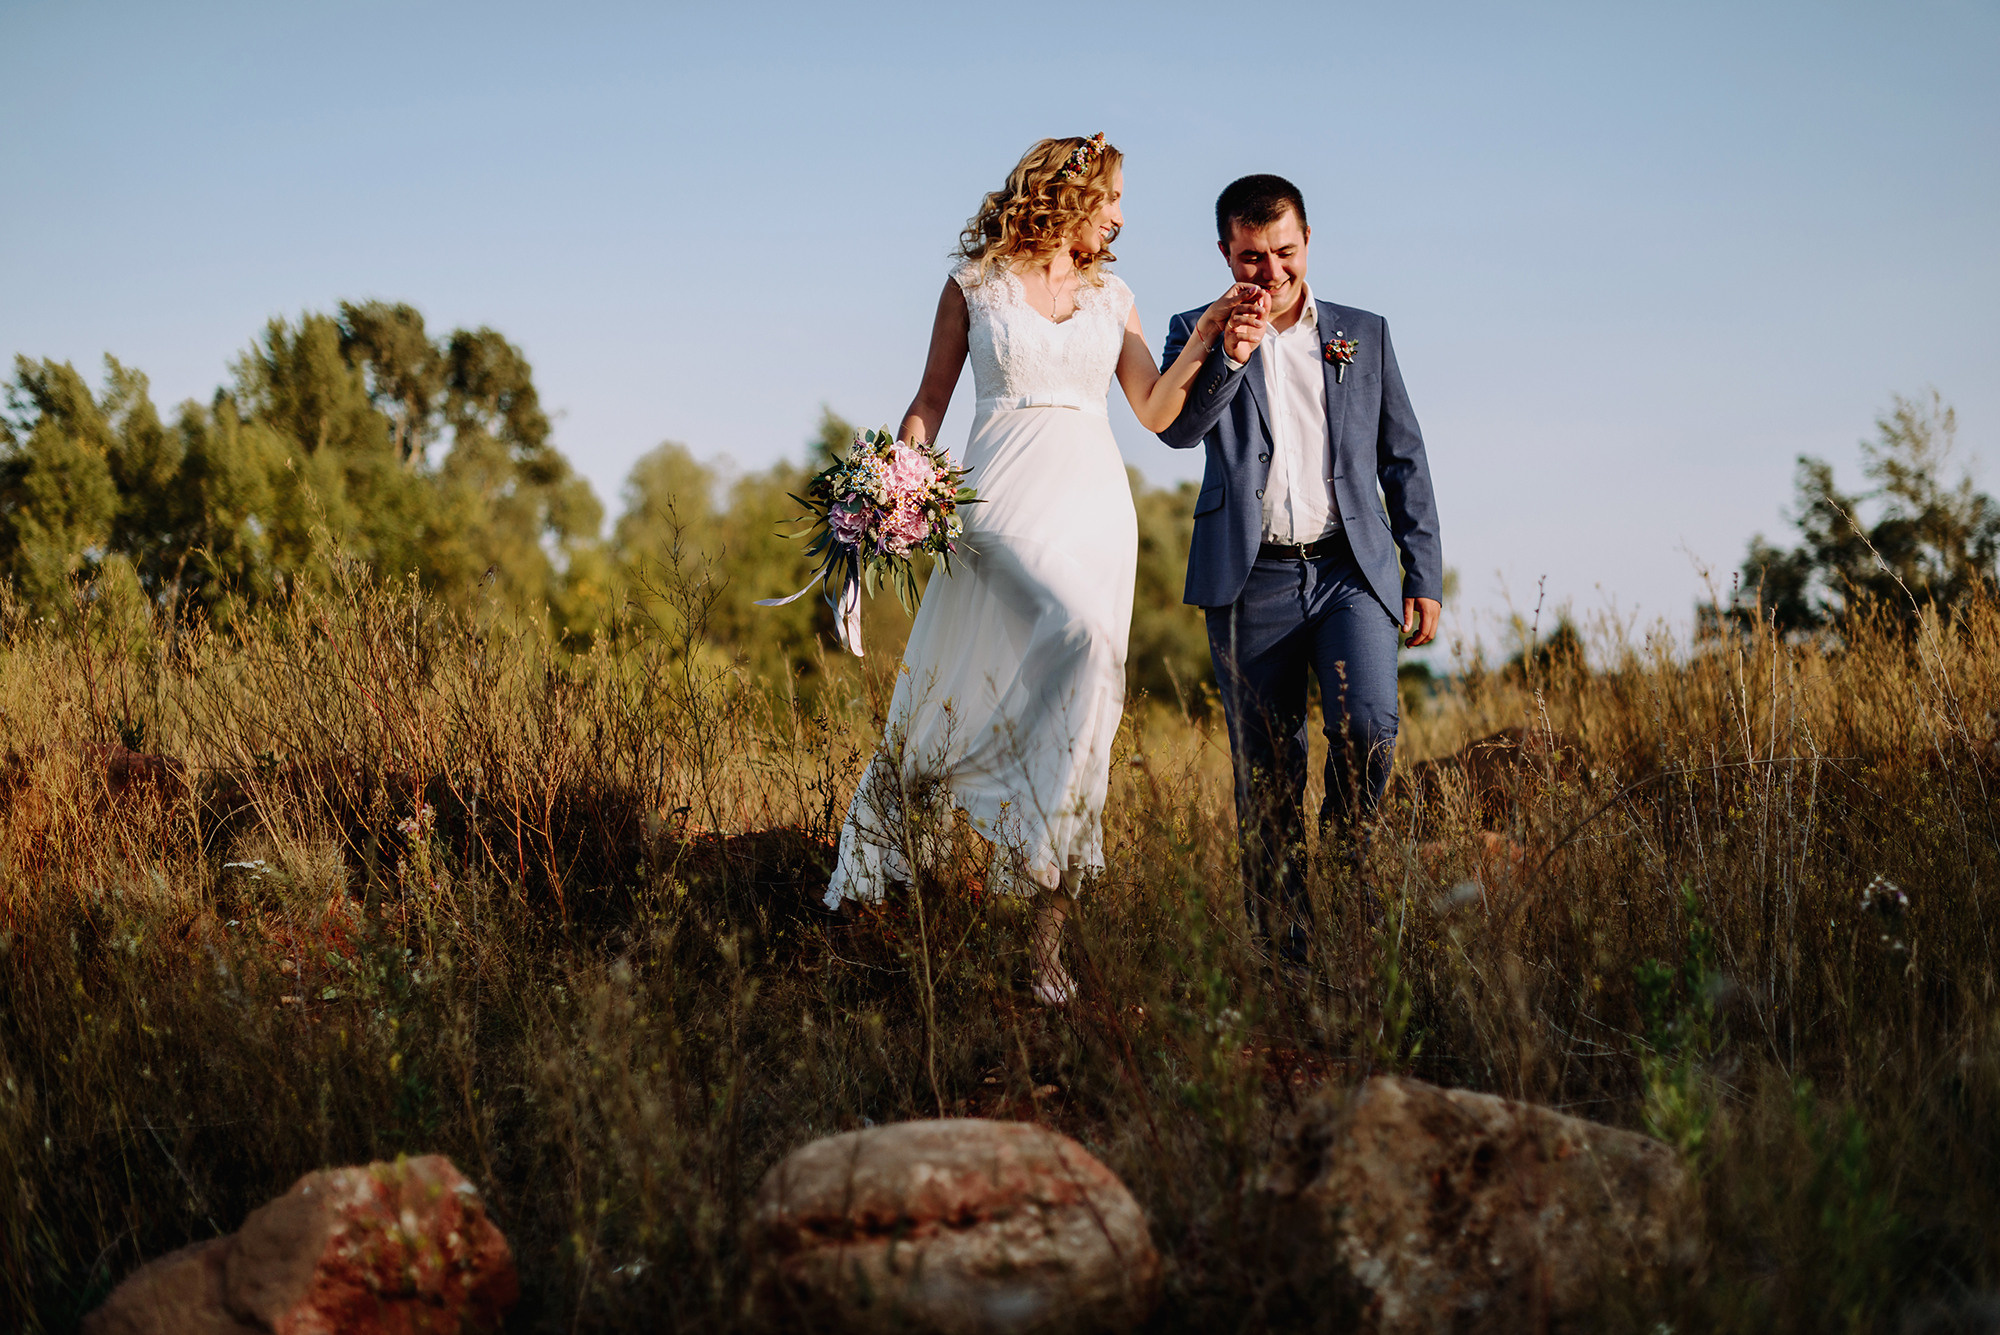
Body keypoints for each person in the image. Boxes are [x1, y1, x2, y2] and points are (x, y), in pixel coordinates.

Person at [823, 134, 1263, 1005]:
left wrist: (1209, 336)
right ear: (1067, 195)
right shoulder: (974, 285)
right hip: (993, 501)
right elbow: (928, 402)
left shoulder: (1114, 297)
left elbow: (1155, 408)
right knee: (1073, 637)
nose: (1123, 216)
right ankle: (944, 794)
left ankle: (1043, 943)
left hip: (1096, 504)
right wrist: (899, 483)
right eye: (1114, 198)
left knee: (1090, 689)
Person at [1157, 173, 1443, 965]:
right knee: (1268, 768)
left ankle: (1352, 863)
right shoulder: (1194, 327)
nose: (1271, 272)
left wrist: (1423, 572)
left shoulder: (1363, 331)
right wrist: (1226, 353)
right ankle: (1286, 951)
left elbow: (1403, 456)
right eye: (1252, 257)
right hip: (1252, 578)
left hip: (1353, 569)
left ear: (1307, 241)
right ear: (1226, 253)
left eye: (1284, 251)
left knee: (1369, 724)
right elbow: (1177, 431)